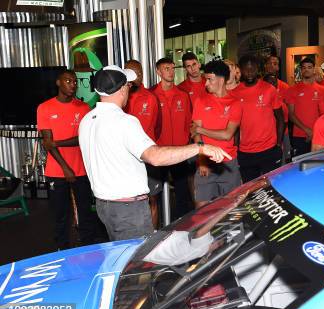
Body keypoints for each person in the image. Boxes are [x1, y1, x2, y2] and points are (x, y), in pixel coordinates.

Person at [78, 65, 230, 241]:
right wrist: (200, 148)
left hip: (104, 206)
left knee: (122, 257)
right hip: (128, 210)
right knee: (138, 263)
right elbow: (155, 157)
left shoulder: (87, 120)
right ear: (121, 89)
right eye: (128, 85)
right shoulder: (124, 122)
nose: (129, 89)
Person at [37, 70, 106, 249]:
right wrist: (66, 168)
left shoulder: (83, 108)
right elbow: (47, 143)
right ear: (58, 83)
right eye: (68, 81)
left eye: (75, 81)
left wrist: (57, 142)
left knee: (85, 211)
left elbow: (82, 138)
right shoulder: (45, 108)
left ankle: (88, 246)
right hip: (57, 171)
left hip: (82, 169)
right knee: (60, 213)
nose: (73, 84)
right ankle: (62, 248)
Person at [190, 60, 242, 208]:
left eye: (209, 79)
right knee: (201, 209)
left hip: (228, 162)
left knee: (230, 210)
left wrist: (201, 129)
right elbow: (195, 134)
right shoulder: (200, 101)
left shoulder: (235, 103)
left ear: (221, 79)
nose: (206, 83)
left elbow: (227, 135)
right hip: (205, 161)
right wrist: (202, 160)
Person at [151, 58, 194, 219]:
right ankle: (160, 227)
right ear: (158, 72)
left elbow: (189, 123)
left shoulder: (182, 95)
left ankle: (180, 228)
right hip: (159, 152)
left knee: (182, 193)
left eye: (172, 68)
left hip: (179, 152)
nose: (170, 71)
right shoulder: (152, 95)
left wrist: (189, 144)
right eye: (166, 68)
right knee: (156, 194)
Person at [232, 54, 285, 182]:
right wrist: (237, 148)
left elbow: (280, 119)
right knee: (250, 190)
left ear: (258, 69)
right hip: (246, 152)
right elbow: (235, 125)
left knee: (273, 187)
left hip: (269, 150)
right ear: (240, 70)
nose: (249, 72)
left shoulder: (269, 89)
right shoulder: (234, 93)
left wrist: (278, 144)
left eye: (253, 69)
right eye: (246, 69)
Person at [124, 59, 163, 229]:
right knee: (129, 201)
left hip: (148, 157)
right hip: (126, 159)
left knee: (152, 199)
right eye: (132, 73)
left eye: (139, 73)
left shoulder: (151, 97)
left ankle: (153, 238)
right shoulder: (120, 98)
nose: (136, 76)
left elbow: (158, 127)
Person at [285, 57, 324, 156]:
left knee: (318, 164)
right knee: (300, 166)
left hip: (319, 134)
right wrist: (307, 130)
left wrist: (314, 132)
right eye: (304, 67)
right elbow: (291, 114)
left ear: (314, 69)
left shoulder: (322, 90)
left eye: (309, 67)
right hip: (299, 135)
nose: (306, 70)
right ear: (301, 70)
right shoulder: (292, 90)